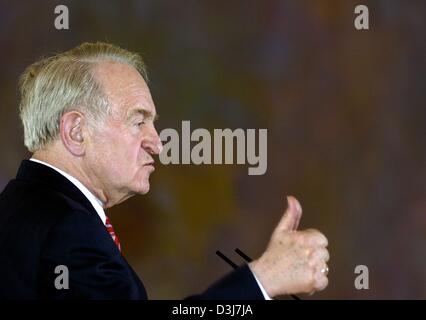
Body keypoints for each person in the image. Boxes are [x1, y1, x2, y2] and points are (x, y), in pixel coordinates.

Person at [0, 42, 329, 299]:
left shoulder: (21, 207)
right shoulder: (67, 228)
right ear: (75, 131)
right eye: (138, 120)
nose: (157, 143)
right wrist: (264, 280)